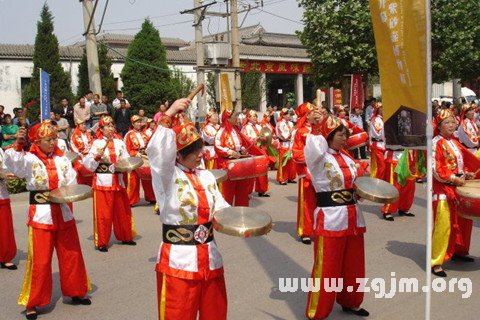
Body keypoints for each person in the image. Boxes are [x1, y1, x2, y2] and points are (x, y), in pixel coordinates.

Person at [146, 98, 229, 320]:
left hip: (210, 256)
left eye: (200, 148)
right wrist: (170, 113)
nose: (200, 154)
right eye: (193, 151)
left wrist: (241, 221)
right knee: (178, 314)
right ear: (178, 155)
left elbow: (220, 206)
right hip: (179, 259)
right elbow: (157, 153)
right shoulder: (167, 177)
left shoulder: (207, 176)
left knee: (215, 313)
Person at [5, 121, 91, 320]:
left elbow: (71, 182)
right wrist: (18, 143)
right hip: (41, 214)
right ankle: (34, 302)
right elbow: (12, 163)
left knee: (71, 254)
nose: (53, 143)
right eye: (48, 140)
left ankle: (76, 291)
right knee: (41, 260)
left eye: (54, 139)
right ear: (37, 141)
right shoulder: (28, 159)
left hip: (63, 211)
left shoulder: (62, 160)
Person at [304, 114, 369, 320]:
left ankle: (351, 301)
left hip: (352, 216)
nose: (344, 138)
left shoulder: (347, 157)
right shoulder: (318, 158)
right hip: (330, 217)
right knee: (327, 267)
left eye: (345, 134)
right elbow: (314, 145)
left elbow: (354, 182)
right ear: (329, 136)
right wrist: (318, 125)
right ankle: (318, 312)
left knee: (353, 264)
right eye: (340, 134)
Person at [431, 109, 480, 277]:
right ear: (439, 126)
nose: (451, 125)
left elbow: (462, 163)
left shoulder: (455, 141)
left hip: (458, 187)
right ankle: (436, 261)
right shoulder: (436, 143)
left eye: (453, 122)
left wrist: (467, 173)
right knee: (443, 225)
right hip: (443, 189)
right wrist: (453, 179)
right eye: (447, 123)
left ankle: (459, 251)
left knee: (463, 222)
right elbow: (437, 170)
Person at [83, 116, 137, 252]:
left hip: (118, 180)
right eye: (107, 126)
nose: (111, 128)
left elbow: (126, 160)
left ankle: (125, 236)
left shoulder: (120, 142)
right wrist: (97, 156)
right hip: (103, 181)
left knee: (122, 211)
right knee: (103, 213)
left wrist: (127, 166)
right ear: (101, 129)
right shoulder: (96, 144)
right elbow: (88, 164)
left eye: (112, 125)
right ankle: (102, 241)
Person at [214, 110, 262, 206]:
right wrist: (229, 152)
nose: (237, 118)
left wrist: (243, 150)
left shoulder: (235, 130)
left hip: (239, 164)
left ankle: (242, 212)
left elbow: (240, 144)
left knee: (242, 191)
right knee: (227, 192)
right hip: (228, 165)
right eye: (235, 116)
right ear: (228, 118)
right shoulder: (221, 131)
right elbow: (217, 146)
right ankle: (226, 215)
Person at [292, 103, 322, 245]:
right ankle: (306, 230)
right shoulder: (300, 132)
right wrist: (312, 158)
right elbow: (296, 154)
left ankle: (320, 228)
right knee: (307, 203)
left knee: (322, 201)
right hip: (307, 171)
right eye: (313, 112)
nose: (315, 114)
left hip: (322, 171)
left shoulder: (320, 129)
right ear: (307, 115)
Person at [123, 115, 155, 206]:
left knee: (147, 178)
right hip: (134, 157)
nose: (139, 124)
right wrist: (134, 154)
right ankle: (131, 200)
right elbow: (126, 148)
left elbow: (149, 145)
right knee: (133, 179)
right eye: (137, 122)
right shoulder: (129, 134)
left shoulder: (144, 134)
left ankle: (151, 197)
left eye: (140, 122)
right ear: (133, 124)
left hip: (144, 157)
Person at [380, 148, 417, 221]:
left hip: (408, 157)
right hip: (394, 156)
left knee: (409, 185)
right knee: (394, 185)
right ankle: (388, 211)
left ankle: (404, 208)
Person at [241, 110, 270, 197]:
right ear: (248, 118)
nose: (255, 118)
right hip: (252, 151)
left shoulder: (259, 126)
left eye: (256, 116)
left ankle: (262, 190)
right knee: (250, 172)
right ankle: (247, 191)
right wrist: (256, 139)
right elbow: (245, 139)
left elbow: (265, 136)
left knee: (262, 170)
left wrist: (265, 138)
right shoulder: (245, 127)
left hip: (261, 150)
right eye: (253, 116)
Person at [0, 148, 17, 270]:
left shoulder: (0, 151)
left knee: (4, 227)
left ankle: (5, 257)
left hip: (1, 194)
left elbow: (5, 167)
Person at [275, 107, 296, 185]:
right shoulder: (280, 124)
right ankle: (282, 178)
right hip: (284, 144)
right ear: (283, 115)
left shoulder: (291, 123)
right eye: (287, 114)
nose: (289, 115)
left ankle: (291, 177)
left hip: (291, 144)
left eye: (289, 114)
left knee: (291, 162)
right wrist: (290, 133)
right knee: (284, 162)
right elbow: (282, 135)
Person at [369, 103, 386, 180]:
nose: (383, 109)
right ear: (378, 110)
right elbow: (379, 133)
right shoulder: (376, 120)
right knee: (381, 166)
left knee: (383, 165)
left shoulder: (382, 119)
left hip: (383, 144)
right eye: (381, 108)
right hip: (378, 144)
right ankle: (379, 181)